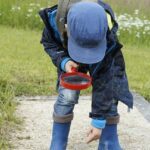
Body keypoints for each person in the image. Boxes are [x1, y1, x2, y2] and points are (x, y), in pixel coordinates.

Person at [39, 1, 133, 150]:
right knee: (67, 95)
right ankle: (58, 142)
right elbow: (49, 43)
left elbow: (105, 82)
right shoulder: (54, 21)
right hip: (70, 55)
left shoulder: (105, 31)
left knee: (112, 89)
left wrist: (98, 121)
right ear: (67, 28)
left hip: (102, 52)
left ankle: (108, 141)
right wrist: (64, 61)